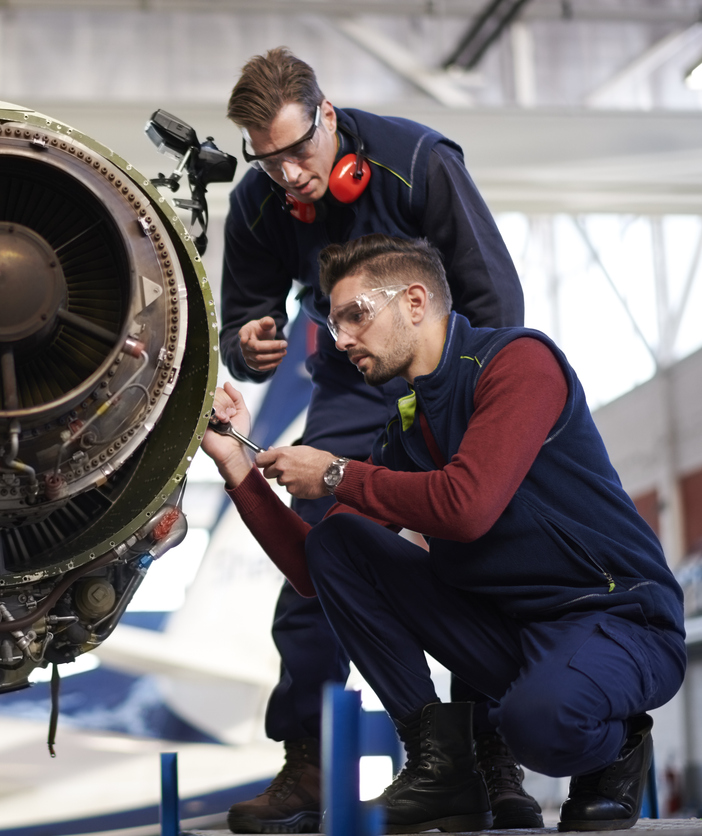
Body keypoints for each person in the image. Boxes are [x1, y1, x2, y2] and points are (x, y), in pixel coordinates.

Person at [203, 234, 685, 833]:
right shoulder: (406, 430)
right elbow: (312, 571)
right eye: (334, 325)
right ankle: (442, 767)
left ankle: (618, 746)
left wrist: (335, 472)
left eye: (356, 315)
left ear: (413, 301)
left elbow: (468, 507)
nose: (343, 339)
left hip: (615, 619)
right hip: (512, 634)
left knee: (538, 726)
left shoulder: (518, 363)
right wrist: (236, 467)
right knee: (338, 543)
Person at [218, 47, 536, 833]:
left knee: (478, 558)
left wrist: (473, 416)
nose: (288, 174)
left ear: (328, 117)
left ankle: (492, 759)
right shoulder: (259, 204)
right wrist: (247, 344)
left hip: (451, 379)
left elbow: (495, 296)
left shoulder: (418, 162)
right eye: (269, 160)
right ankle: (309, 759)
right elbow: (239, 324)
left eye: (299, 151)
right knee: (318, 553)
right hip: (352, 388)